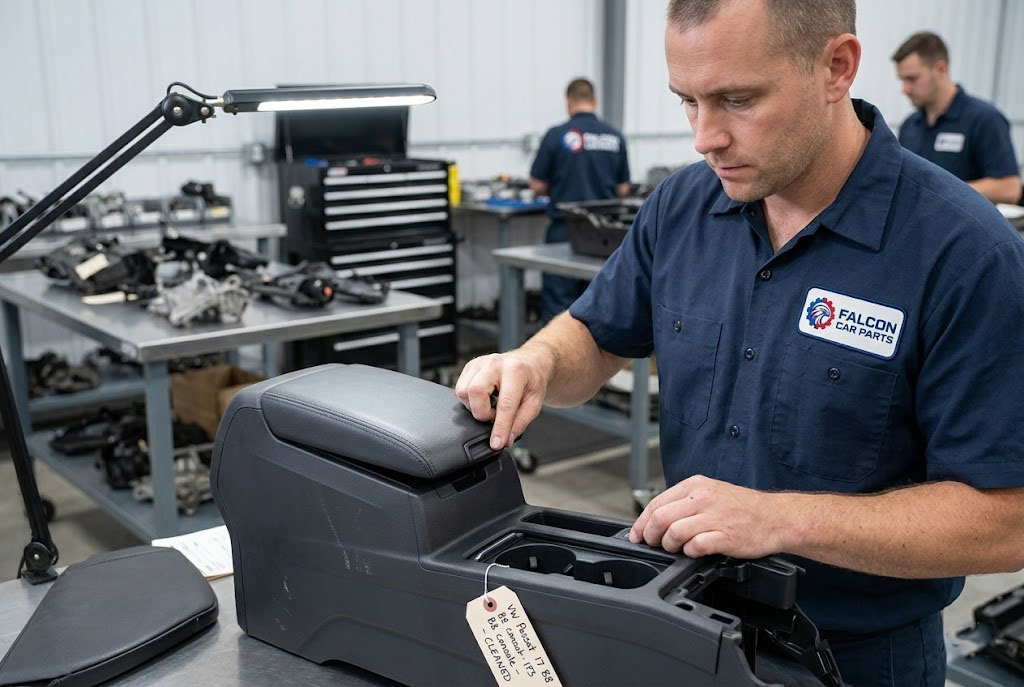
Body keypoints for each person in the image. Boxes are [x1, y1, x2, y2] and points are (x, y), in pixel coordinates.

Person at [455, 1, 1024, 685]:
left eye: (737, 100)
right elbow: (597, 335)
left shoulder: (964, 253)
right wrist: (538, 361)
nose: (705, 137)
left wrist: (781, 519)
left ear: (837, 67)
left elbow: (1006, 521)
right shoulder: (682, 207)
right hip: (685, 623)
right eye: (687, 100)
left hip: (857, 659)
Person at [529, 78, 631, 323]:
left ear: (568, 101)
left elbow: (536, 185)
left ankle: (558, 350)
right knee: (599, 304)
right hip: (604, 236)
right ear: (595, 101)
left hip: (564, 231)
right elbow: (623, 188)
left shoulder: (556, 135)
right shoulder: (614, 137)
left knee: (558, 306)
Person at [893, 31, 1021, 204]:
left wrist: (940, 190)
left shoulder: (984, 119)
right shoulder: (910, 125)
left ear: (941, 69)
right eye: (902, 80)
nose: (905, 89)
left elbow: (1009, 188)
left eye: (912, 79)